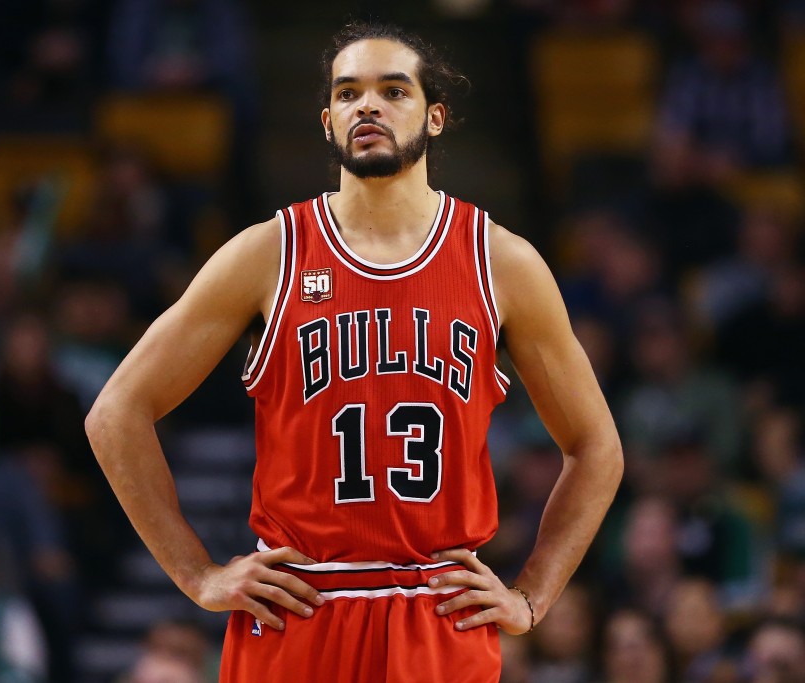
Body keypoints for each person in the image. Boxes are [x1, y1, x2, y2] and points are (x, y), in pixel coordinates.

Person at [86, 21, 623, 682]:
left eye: (392, 90)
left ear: (435, 116)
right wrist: (198, 574)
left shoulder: (500, 261)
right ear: (326, 121)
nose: (367, 105)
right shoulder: (269, 254)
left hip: (438, 610)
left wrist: (533, 594)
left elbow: (597, 445)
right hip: (300, 605)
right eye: (348, 93)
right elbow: (115, 412)